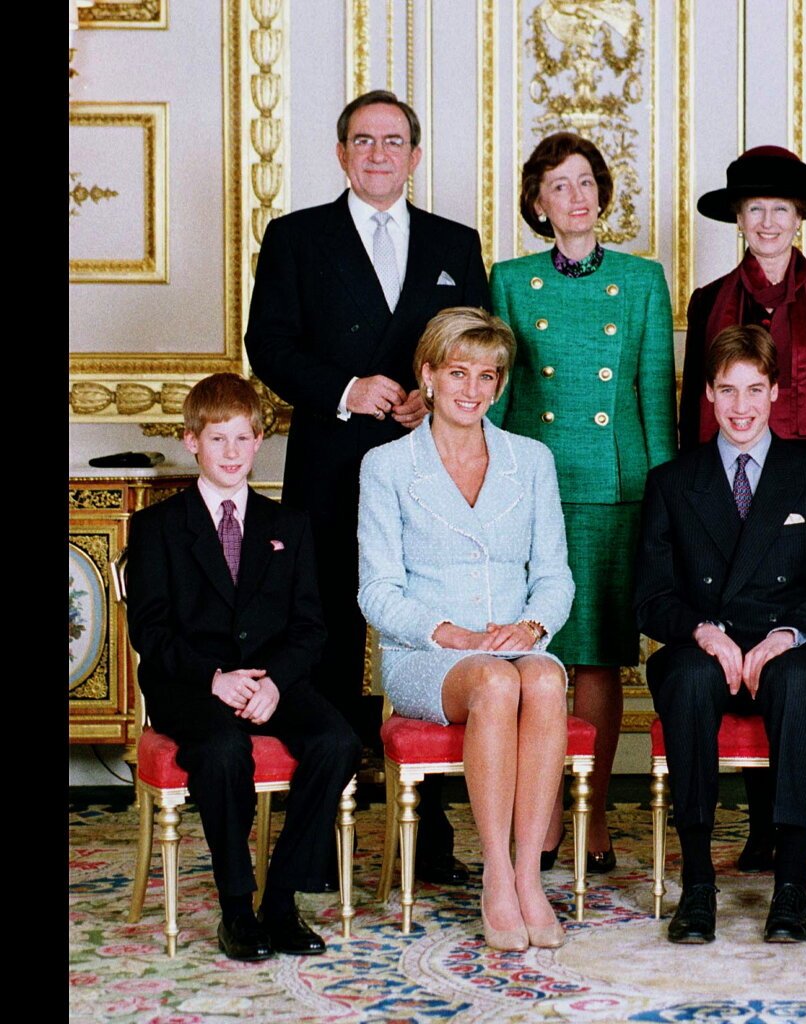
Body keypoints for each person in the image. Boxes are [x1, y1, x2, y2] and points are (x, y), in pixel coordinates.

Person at [245, 88, 488, 887]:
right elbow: (268, 344)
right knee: (332, 645)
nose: (379, 153)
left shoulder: (457, 241)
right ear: (342, 154)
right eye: (363, 140)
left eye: (393, 141)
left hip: (432, 469)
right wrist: (346, 388)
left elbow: (476, 344)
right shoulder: (296, 237)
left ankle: (434, 839)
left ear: (415, 156)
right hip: (332, 469)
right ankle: (322, 835)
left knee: (427, 635)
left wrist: (433, 392)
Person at [683, 145, 806, 872]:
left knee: (794, 652)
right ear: (739, 219)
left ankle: (786, 827)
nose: (768, 222)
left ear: (800, 219)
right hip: (729, 501)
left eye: (782, 210)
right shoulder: (709, 301)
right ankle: (752, 826)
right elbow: (690, 415)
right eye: (755, 209)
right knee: (733, 646)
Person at [635, 325, 806, 945]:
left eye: (755, 390)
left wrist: (785, 635)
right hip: (702, 648)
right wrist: (704, 633)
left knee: (795, 682)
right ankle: (698, 884)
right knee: (685, 678)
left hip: (785, 650)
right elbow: (650, 599)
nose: (742, 407)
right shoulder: (672, 482)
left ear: (776, 392)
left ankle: (790, 884)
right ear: (708, 394)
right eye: (728, 390)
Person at [486, 132, 676, 875]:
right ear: (538, 202)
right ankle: (544, 816)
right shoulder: (508, 279)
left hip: (613, 490)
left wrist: (665, 502)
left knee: (596, 660)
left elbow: (654, 399)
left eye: (587, 182)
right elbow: (496, 400)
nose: (577, 196)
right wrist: (485, 494)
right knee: (541, 655)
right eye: (560, 185)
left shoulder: (641, 280)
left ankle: (592, 813)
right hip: (533, 488)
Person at [357, 308, 576, 951]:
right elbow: (376, 592)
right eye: (458, 372)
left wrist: (532, 624)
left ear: (501, 385)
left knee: (540, 678)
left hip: (515, 642)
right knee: (496, 684)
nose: (472, 390)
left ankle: (530, 876)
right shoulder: (387, 466)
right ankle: (498, 877)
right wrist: (450, 633)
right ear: (427, 375)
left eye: (487, 376)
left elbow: (556, 577)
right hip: (426, 654)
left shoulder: (531, 460)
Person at [125, 373, 362, 962]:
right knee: (223, 749)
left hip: (270, 678)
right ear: (192, 443)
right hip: (190, 682)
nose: (231, 452)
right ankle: (237, 907)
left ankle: (279, 901)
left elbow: (311, 627)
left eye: (242, 438)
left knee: (337, 740)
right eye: (217, 439)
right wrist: (215, 679)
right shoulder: (157, 528)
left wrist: (276, 681)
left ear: (260, 441)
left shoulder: (289, 526)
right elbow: (150, 633)